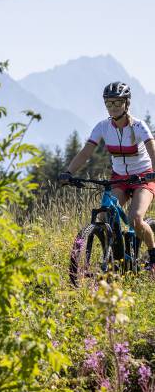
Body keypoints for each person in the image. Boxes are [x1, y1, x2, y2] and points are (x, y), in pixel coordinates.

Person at [59, 81, 155, 272]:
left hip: (143, 177)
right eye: (109, 103)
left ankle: (153, 257)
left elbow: (153, 150)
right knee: (104, 216)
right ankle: (112, 259)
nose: (113, 108)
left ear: (127, 103)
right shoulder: (103, 127)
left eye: (117, 103)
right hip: (119, 178)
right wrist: (69, 172)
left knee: (135, 218)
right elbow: (86, 152)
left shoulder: (138, 126)